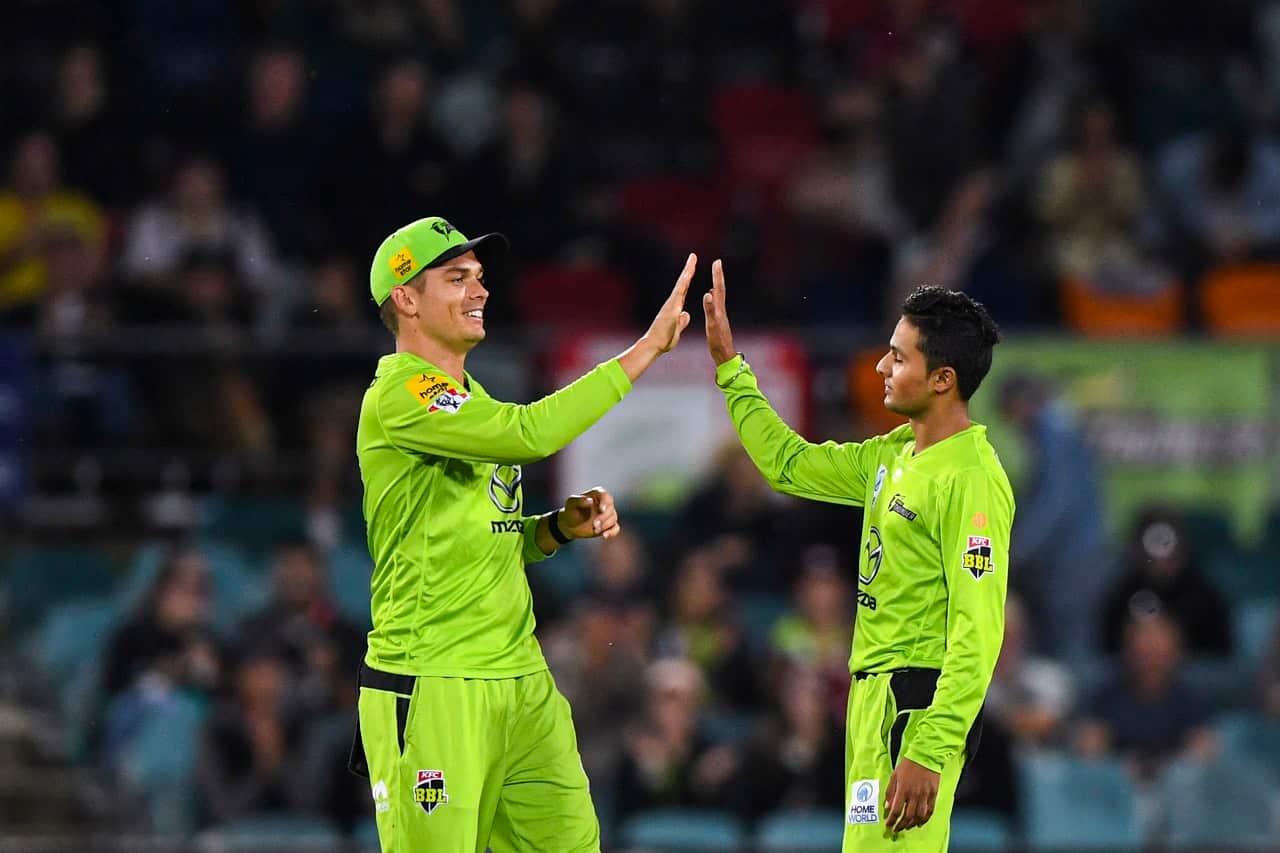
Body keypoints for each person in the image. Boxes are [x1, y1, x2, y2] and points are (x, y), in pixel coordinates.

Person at [350, 215, 696, 853]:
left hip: (521, 680)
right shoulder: (398, 397)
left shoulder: (471, 396)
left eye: (479, 277)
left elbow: (494, 537)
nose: (480, 291)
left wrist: (556, 529)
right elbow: (530, 434)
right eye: (456, 279)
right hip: (435, 680)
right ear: (405, 300)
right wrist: (645, 348)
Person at [702, 261, 1013, 851]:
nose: (880, 367)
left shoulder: (971, 480)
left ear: (943, 378)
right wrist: (730, 371)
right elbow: (788, 465)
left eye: (898, 356)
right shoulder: (892, 455)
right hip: (872, 702)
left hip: (914, 712)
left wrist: (929, 747)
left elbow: (980, 630)